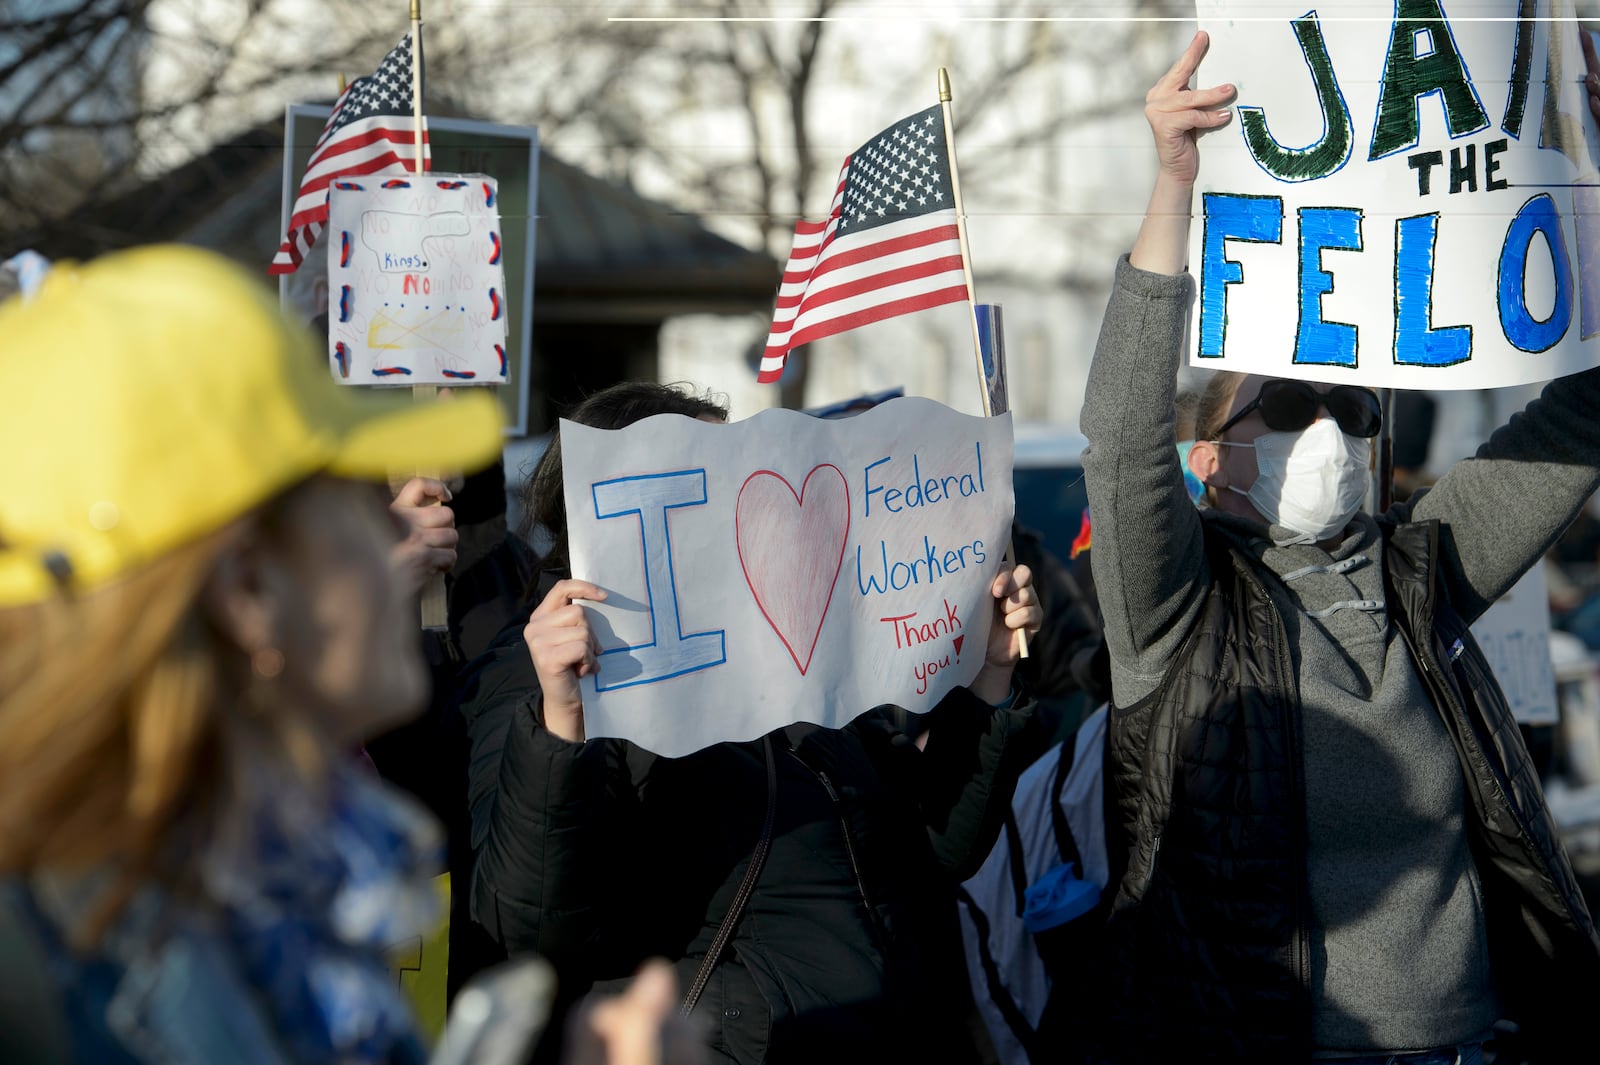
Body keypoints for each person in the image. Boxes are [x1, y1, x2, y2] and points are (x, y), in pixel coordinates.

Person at [1076, 32, 1600, 1065]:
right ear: (1212, 456)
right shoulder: (1181, 606)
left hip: (1464, 1047)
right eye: (1286, 403)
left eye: (1346, 403)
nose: (1323, 426)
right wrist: (1172, 186)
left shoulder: (1421, 574)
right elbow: (1122, 437)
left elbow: (1582, 414)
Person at [0, 244, 505, 1063]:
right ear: (248, 590)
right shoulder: (55, 985)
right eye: (350, 500)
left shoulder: (274, 882)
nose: (394, 534)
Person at [457, 380, 1044, 1064]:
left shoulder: (785, 644)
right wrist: (560, 719)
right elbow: (530, 928)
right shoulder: (537, 671)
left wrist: (989, 677)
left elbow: (933, 845)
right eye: (717, 465)